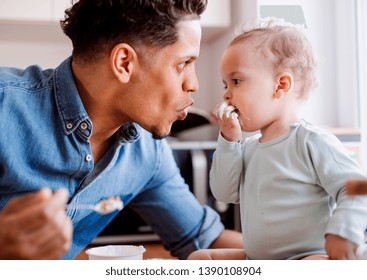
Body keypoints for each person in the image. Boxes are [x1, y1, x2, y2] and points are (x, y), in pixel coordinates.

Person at [0, 0, 243, 259]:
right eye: (183, 64)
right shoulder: (5, 107)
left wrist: (286, 253)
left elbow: (204, 239)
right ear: (124, 63)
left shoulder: (148, 152)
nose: (194, 84)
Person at [187, 17, 367, 260]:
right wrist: (229, 141)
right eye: (224, 85)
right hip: (258, 259)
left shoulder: (311, 142)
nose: (227, 94)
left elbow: (357, 190)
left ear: (280, 85)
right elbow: (223, 193)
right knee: (199, 259)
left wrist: (343, 232)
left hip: (309, 256)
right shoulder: (248, 149)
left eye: (236, 81)